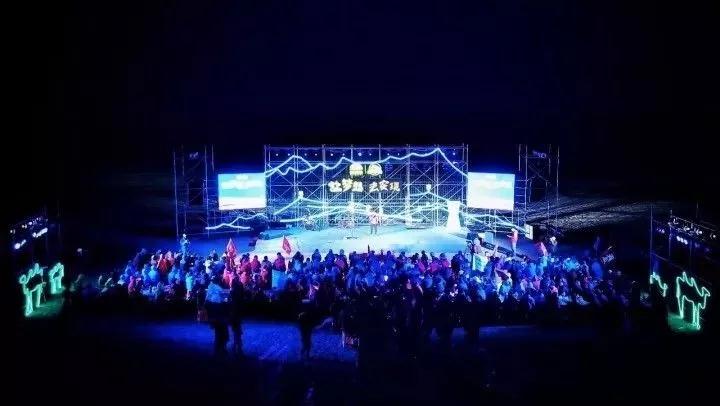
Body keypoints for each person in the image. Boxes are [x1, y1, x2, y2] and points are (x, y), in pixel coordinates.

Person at [205, 275, 230, 356]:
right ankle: (221, 349)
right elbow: (225, 300)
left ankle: (218, 349)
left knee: (218, 332)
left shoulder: (211, 288)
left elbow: (207, 302)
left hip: (215, 313)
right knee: (222, 331)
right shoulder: (218, 289)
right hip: (219, 312)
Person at [229, 278, 245, 356]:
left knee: (236, 330)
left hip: (234, 313)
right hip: (237, 313)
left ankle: (236, 346)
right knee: (237, 330)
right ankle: (237, 346)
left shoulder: (233, 292)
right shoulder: (239, 293)